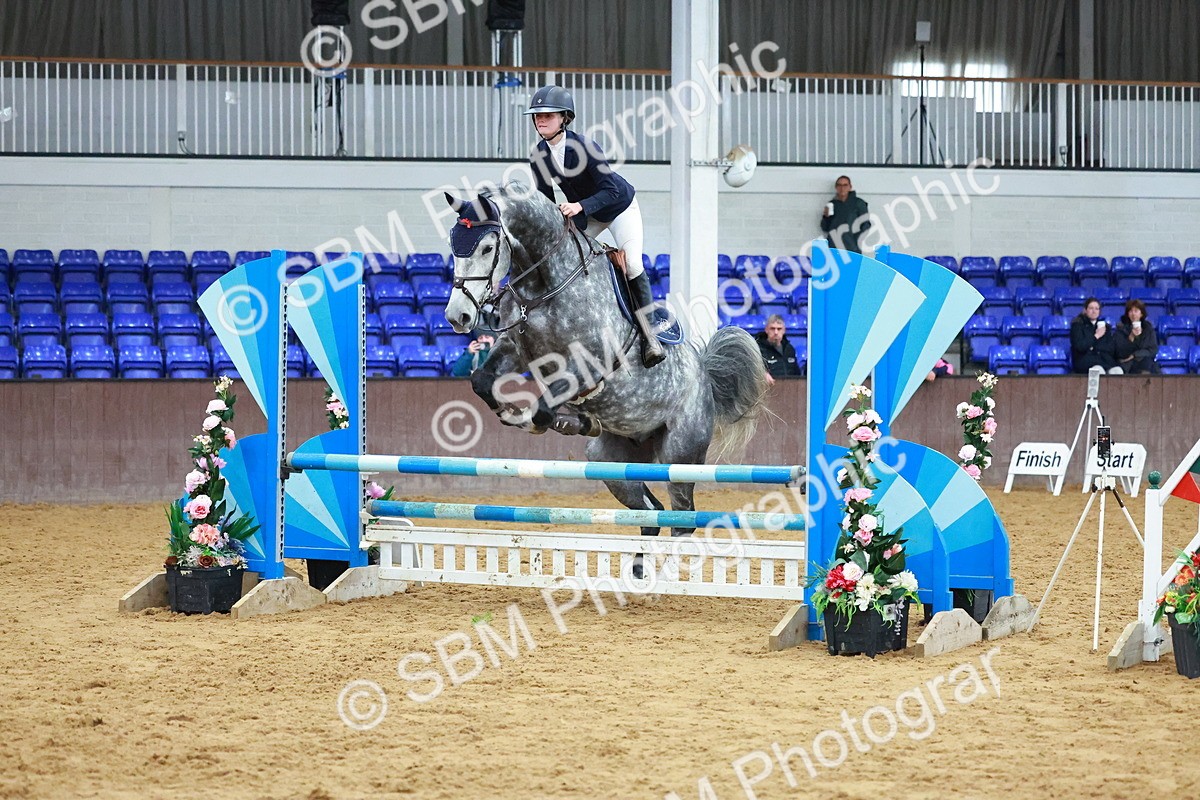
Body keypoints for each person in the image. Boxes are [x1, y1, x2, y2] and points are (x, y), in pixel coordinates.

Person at [524, 85, 665, 369]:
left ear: (564, 118)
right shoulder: (539, 154)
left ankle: (650, 336)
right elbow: (545, 199)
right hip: (587, 213)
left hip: (619, 208)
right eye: (537, 116)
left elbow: (611, 190)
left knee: (633, 263)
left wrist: (579, 206)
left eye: (548, 115)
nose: (541, 120)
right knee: (566, 261)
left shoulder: (585, 147)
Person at [1070, 297, 1124, 374]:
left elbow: (1110, 348)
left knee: (1117, 370)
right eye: (1091, 308)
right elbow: (1080, 346)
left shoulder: (1105, 327)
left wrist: (1092, 347)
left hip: (1104, 362)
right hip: (1085, 363)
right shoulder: (1077, 326)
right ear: (1085, 310)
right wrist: (1096, 336)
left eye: (1096, 309)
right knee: (1098, 370)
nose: (1094, 311)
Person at [819, 175, 871, 254]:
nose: (842, 188)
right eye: (839, 185)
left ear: (850, 187)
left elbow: (866, 224)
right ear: (836, 187)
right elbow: (825, 228)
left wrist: (855, 240)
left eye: (845, 185)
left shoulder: (858, 203)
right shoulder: (832, 204)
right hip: (834, 248)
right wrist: (826, 217)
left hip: (852, 249)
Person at [1114, 298, 1160, 374]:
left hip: (1145, 363)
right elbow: (1120, 353)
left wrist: (1135, 355)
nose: (1133, 314)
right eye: (1130, 311)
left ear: (1141, 314)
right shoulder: (1121, 329)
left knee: (1148, 364)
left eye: (1136, 311)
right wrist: (1131, 337)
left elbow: (1153, 350)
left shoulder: (1148, 329)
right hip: (1127, 365)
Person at [755, 315, 802, 385]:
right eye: (772, 328)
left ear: (784, 330)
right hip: (768, 388)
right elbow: (752, 370)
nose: (776, 332)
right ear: (766, 330)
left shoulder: (790, 349)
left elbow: (797, 375)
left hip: (790, 389)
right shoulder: (758, 349)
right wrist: (762, 374)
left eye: (779, 329)